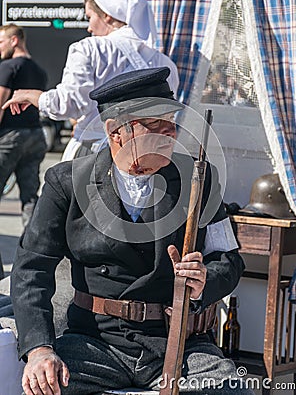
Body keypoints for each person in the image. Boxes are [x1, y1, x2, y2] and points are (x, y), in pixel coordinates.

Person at [11, 67, 253, 395]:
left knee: (230, 389)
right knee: (46, 387)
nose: (171, 133)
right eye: (156, 125)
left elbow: (228, 259)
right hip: (94, 343)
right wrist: (40, 349)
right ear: (117, 132)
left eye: (173, 122)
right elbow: (31, 269)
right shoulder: (66, 183)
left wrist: (203, 281)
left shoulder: (199, 179)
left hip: (179, 344)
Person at [2, 0, 179, 161]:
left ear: (107, 15)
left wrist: (34, 96)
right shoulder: (165, 63)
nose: (89, 28)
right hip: (146, 157)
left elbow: (71, 104)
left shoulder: (90, 49)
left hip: (95, 155)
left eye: (89, 17)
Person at [0, 23, 47, 227]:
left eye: (1, 42)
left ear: (14, 40)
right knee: (30, 197)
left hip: (11, 136)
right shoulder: (39, 71)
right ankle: (32, 249)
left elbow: (0, 103)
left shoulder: (8, 66)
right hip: (36, 135)